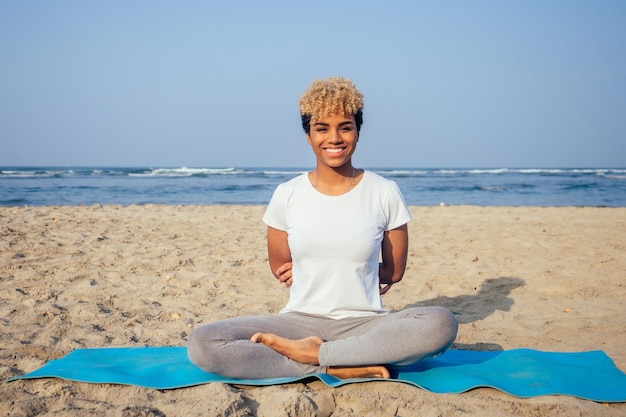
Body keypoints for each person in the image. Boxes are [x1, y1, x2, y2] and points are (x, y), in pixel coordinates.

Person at [188, 77, 457, 379]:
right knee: (203, 343)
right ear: (308, 135)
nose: (335, 138)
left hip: (364, 323)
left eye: (345, 126)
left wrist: (351, 268)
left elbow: (394, 272)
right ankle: (337, 363)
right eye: (322, 128)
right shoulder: (287, 194)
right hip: (298, 323)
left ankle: (316, 356)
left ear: (358, 131)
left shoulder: (384, 191)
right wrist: (323, 265)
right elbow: (280, 267)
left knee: (441, 322)